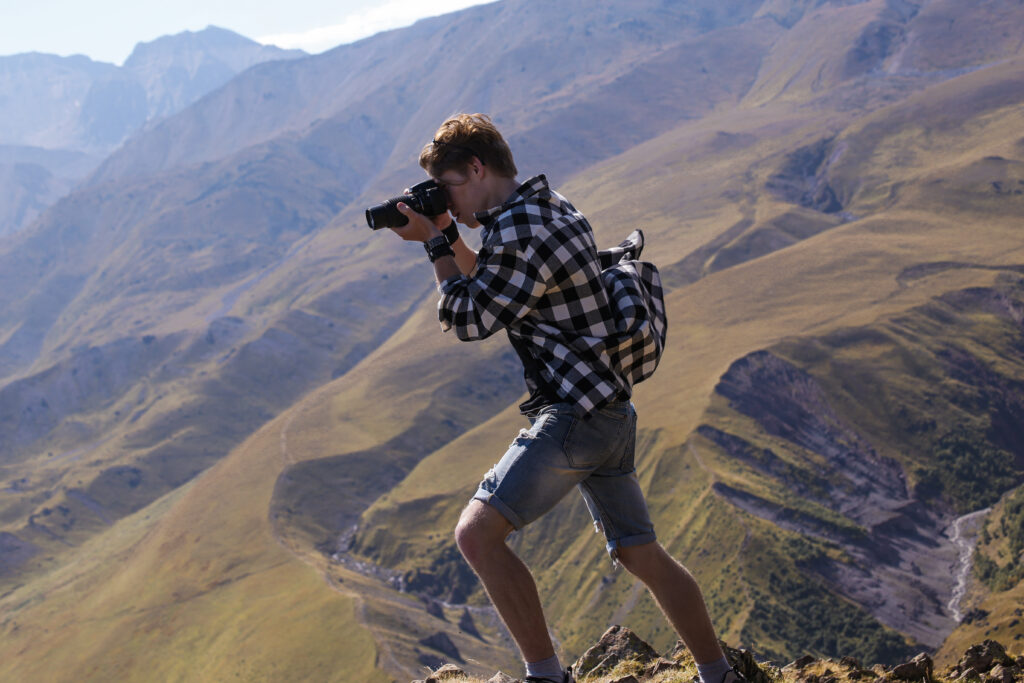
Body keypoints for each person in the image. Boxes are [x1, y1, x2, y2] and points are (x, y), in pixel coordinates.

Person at [389, 113, 742, 683]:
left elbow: (472, 316)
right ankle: (719, 674)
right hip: (608, 407)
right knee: (640, 552)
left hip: (576, 412)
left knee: (476, 536)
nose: (449, 206)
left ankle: (545, 676)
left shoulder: (520, 229)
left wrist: (433, 243)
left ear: (477, 168)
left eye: (449, 190)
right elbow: (502, 286)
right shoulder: (547, 207)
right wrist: (449, 233)